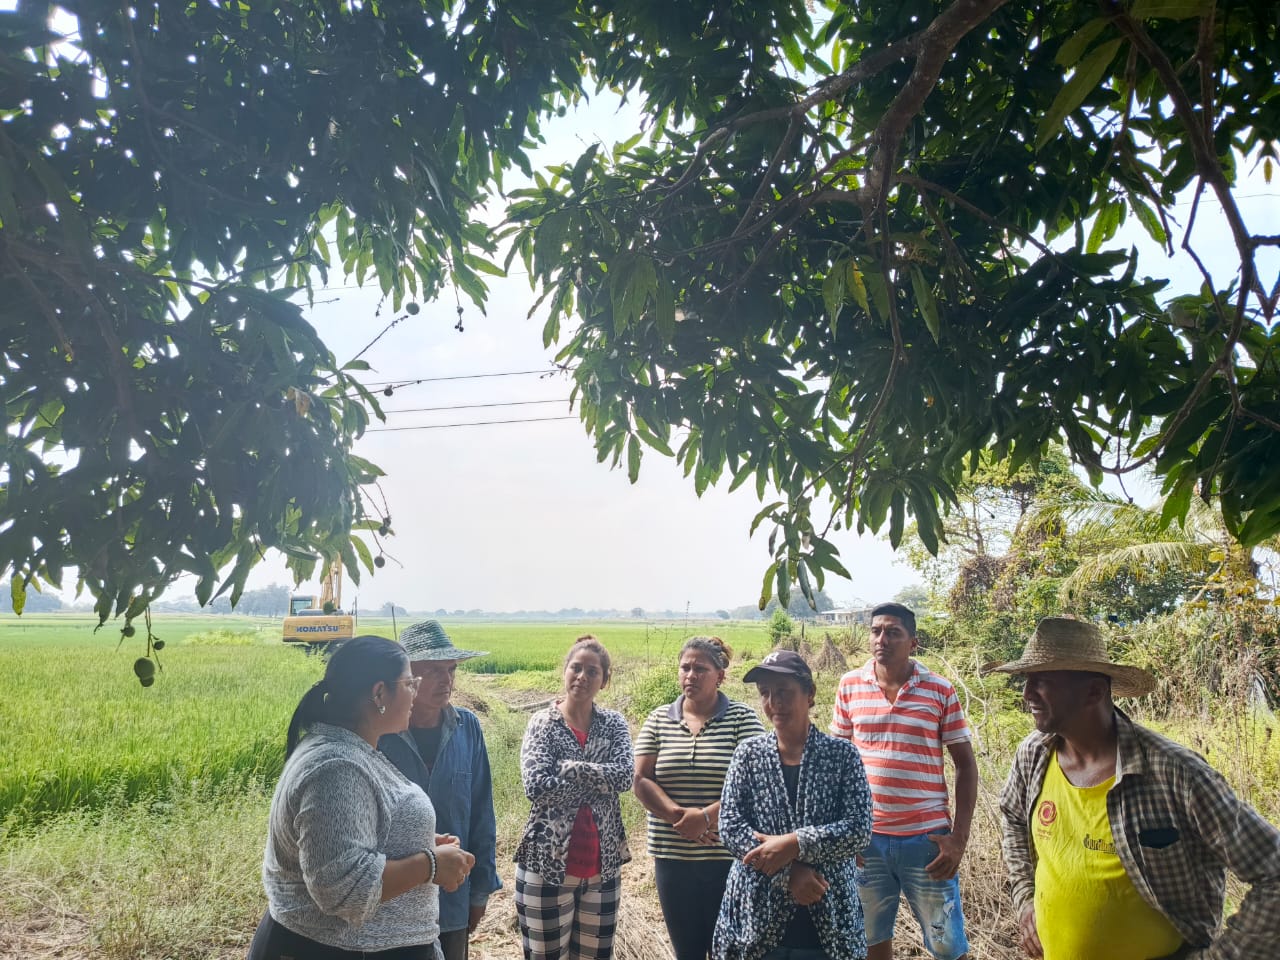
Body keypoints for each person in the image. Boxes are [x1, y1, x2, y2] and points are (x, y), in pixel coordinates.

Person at [988, 616, 1280, 960]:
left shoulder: (1175, 773)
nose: (1027, 695)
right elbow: (1013, 817)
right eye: (1027, 680)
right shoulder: (1034, 754)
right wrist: (1025, 897)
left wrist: (1225, 956)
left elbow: (1273, 870)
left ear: (1094, 691)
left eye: (1043, 681)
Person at [249, 635, 476, 960]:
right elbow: (343, 888)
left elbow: (350, 836)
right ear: (379, 693)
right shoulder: (336, 768)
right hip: (337, 950)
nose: (415, 692)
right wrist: (431, 864)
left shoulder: (351, 750)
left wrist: (414, 841)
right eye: (409, 683)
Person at [829, 602, 975, 960]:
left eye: (893, 632)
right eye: (876, 631)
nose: (882, 639)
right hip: (866, 841)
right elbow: (837, 765)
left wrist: (958, 839)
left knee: (947, 945)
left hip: (927, 841)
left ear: (913, 642)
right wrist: (842, 834)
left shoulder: (940, 690)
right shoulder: (850, 685)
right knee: (869, 939)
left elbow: (966, 766)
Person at [712, 649, 873, 960]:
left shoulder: (841, 755)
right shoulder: (748, 754)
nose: (774, 702)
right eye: (765, 693)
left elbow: (859, 828)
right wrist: (788, 871)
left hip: (829, 917)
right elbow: (730, 825)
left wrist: (795, 842)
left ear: (809, 694)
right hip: (755, 918)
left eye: (784, 692)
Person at [634, 636, 766, 960]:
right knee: (687, 951)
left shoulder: (742, 719)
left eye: (700, 669)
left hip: (728, 858)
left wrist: (706, 817)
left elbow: (756, 783)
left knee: (728, 950)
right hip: (672, 858)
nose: (690, 675)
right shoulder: (659, 719)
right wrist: (680, 818)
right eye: (685, 668)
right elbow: (641, 779)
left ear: (720, 675)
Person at [379, 621, 501, 960]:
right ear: (406, 678)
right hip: (392, 901)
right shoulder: (380, 734)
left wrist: (480, 892)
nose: (446, 680)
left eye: (450, 669)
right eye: (433, 670)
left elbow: (481, 814)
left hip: (453, 895)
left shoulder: (467, 728)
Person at [515, 636, 634, 960]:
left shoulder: (613, 724)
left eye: (592, 671)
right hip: (545, 867)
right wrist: (599, 783)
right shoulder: (543, 723)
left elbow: (625, 777)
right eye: (576, 668)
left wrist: (569, 768)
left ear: (604, 680)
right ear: (565, 671)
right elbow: (537, 786)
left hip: (602, 870)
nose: (582, 676)